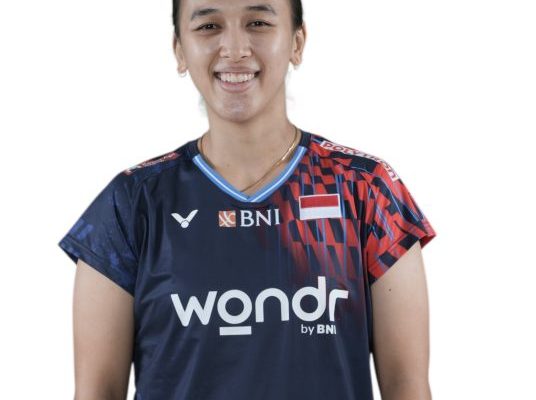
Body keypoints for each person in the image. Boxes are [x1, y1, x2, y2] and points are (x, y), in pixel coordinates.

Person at [58, 1, 437, 399]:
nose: (235, 48)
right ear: (179, 50)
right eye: (209, 26)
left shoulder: (366, 189)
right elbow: (96, 391)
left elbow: (407, 386)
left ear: (297, 42)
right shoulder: (129, 204)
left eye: (257, 22)